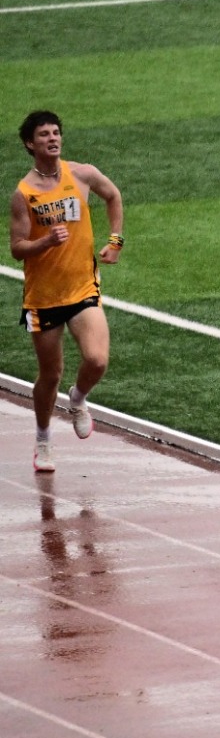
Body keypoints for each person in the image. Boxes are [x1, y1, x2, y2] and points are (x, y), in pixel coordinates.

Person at [11, 110, 123, 474]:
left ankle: (78, 399)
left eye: (56, 132)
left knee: (97, 360)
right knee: (50, 375)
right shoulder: (24, 193)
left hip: (82, 288)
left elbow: (113, 196)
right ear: (31, 143)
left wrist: (115, 241)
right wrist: (44, 242)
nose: (52, 138)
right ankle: (43, 437)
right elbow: (16, 248)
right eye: (44, 134)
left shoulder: (82, 175)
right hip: (44, 297)